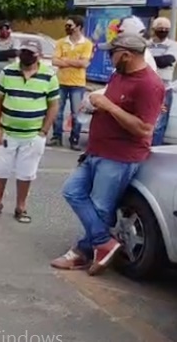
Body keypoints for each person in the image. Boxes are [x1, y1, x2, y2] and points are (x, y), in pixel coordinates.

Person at [51, 17, 164, 276]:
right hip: (96, 151)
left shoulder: (149, 84)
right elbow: (111, 103)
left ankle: (82, 251)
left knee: (101, 206)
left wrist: (108, 107)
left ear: (125, 55)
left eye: (112, 54)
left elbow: (144, 129)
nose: (108, 58)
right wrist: (95, 103)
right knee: (72, 191)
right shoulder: (119, 74)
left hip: (120, 156)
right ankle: (103, 242)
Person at [0, 40, 59, 224]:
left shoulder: (49, 76)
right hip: (7, 132)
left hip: (33, 135)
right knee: (1, 170)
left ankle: (21, 207)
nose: (26, 56)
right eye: (24, 52)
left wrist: (44, 131)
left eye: (31, 53)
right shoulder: (7, 72)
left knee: (26, 174)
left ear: (39, 55)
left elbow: (53, 105)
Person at [49, 16, 93, 150]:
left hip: (78, 83)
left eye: (70, 25)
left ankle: (74, 139)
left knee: (76, 113)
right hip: (61, 81)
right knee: (57, 111)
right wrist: (75, 62)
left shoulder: (87, 44)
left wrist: (65, 61)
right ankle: (56, 137)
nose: (67, 28)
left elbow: (84, 63)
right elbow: (55, 61)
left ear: (78, 27)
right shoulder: (61, 42)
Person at [147, 17, 175, 146]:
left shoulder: (173, 45)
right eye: (160, 28)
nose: (163, 31)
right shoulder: (146, 44)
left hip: (164, 89)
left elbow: (166, 61)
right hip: (146, 87)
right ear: (154, 29)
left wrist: (148, 58)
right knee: (145, 120)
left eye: (166, 29)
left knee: (159, 123)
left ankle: (155, 149)